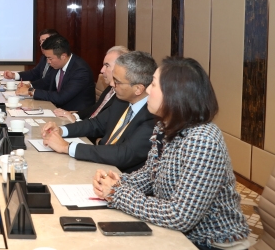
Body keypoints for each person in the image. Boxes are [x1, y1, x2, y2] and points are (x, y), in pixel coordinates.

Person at [93, 57, 250, 250]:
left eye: (153, 85)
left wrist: (117, 193)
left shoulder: (202, 140)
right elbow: (150, 176)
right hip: (176, 233)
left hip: (210, 243)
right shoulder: (165, 126)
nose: (147, 90)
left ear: (174, 94)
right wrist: (115, 182)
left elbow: (179, 216)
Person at [41, 51, 157, 172]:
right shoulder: (121, 101)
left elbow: (123, 154)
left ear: (138, 89)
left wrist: (67, 147)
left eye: (117, 81)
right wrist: (61, 130)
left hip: (120, 175)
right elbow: (95, 124)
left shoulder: (154, 117)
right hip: (99, 164)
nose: (111, 84)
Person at [16, 35, 95, 111]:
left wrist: (31, 91)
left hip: (74, 114)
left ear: (63, 56)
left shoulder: (80, 70)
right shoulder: (58, 64)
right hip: (57, 108)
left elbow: (61, 97)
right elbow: (46, 82)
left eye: (50, 58)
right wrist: (29, 86)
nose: (48, 62)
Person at [54, 46, 130, 123]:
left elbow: (103, 126)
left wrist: (76, 121)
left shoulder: (123, 96)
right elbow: (95, 108)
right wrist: (74, 115)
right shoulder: (110, 88)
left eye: (107, 65)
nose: (102, 70)